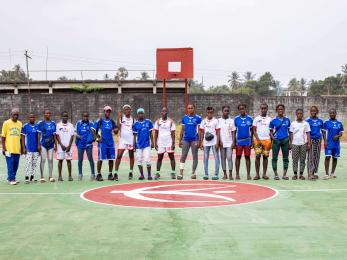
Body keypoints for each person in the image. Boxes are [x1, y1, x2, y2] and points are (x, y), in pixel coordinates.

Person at [92, 106, 118, 181]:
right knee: (100, 159)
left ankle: (110, 174)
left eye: (109, 111)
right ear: (104, 112)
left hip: (110, 143)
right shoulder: (100, 121)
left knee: (111, 159)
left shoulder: (112, 121)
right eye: (106, 111)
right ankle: (98, 174)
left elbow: (115, 130)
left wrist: (116, 130)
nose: (108, 112)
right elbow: (93, 130)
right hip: (102, 143)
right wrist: (96, 138)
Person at [178, 104, 202, 180]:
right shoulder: (184, 118)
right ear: (187, 109)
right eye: (189, 108)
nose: (190, 109)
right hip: (185, 140)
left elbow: (200, 130)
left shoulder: (198, 118)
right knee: (183, 156)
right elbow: (182, 130)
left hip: (194, 140)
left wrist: (199, 141)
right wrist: (180, 140)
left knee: (195, 156)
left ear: (194, 109)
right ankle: (181, 173)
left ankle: (193, 173)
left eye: (191, 108)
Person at [269, 104, 291, 180]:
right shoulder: (273, 120)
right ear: (276, 110)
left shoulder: (287, 120)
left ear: (284, 110)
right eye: (279, 109)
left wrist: (290, 142)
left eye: (282, 109)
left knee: (285, 158)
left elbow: (289, 131)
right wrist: (273, 138)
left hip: (285, 140)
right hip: (276, 141)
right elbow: (271, 131)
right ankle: (276, 174)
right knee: (274, 158)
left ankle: (284, 174)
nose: (280, 110)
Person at [154, 107, 176, 180]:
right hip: (161, 143)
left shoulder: (171, 121)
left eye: (165, 111)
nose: (164, 112)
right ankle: (157, 173)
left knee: (171, 157)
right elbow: (156, 133)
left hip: (169, 142)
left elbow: (173, 133)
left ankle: (173, 172)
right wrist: (155, 143)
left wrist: (173, 143)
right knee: (159, 158)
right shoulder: (158, 121)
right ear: (161, 112)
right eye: (163, 111)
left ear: (167, 112)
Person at [1, 108, 22, 185]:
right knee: (10, 164)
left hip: (17, 149)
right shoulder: (6, 123)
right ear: (11, 115)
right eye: (14, 115)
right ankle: (12, 179)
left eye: (17, 115)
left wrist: (22, 148)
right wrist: (4, 148)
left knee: (15, 165)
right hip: (9, 149)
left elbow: (20, 138)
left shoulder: (20, 123)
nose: (16, 116)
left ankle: (10, 177)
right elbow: (3, 137)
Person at [289, 109, 311, 180]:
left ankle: (301, 174)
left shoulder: (306, 123)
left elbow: (308, 133)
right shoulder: (293, 123)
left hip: (303, 144)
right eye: (298, 113)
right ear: (296, 114)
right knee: (295, 160)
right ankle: (295, 174)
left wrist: (309, 143)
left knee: (302, 160)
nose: (299, 115)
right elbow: (291, 133)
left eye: (301, 114)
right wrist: (291, 143)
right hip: (295, 144)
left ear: (302, 114)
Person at [132, 108, 154, 180]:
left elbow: (151, 133)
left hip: (146, 144)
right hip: (138, 145)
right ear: (137, 114)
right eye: (139, 113)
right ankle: (141, 175)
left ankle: (149, 175)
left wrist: (152, 142)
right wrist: (134, 145)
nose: (140, 114)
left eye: (142, 113)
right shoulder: (135, 124)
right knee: (139, 160)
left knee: (147, 159)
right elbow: (134, 135)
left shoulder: (148, 122)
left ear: (144, 114)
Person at [199, 106, 220, 180]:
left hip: (214, 142)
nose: (210, 114)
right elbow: (201, 132)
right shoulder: (203, 121)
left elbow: (218, 132)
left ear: (213, 113)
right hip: (206, 142)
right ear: (206, 113)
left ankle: (216, 174)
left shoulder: (216, 121)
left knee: (216, 157)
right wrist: (201, 142)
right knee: (205, 157)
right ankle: (206, 174)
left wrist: (217, 143)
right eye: (208, 113)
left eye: (211, 112)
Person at [115, 105, 135, 180]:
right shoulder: (121, 118)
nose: (127, 110)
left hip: (130, 140)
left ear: (130, 110)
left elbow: (134, 130)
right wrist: (118, 118)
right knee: (119, 156)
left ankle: (130, 172)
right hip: (122, 140)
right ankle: (116, 173)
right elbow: (118, 127)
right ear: (123, 111)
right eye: (125, 109)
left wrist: (134, 142)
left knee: (131, 156)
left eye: (128, 109)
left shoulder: (133, 119)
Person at [322, 108, 344, 179]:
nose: (332, 114)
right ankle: (326, 174)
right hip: (329, 143)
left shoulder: (339, 123)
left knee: (335, 158)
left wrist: (338, 135)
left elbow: (341, 132)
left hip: (336, 144)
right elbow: (324, 132)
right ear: (329, 114)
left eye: (333, 113)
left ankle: (332, 173)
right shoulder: (326, 122)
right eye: (331, 113)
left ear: (335, 113)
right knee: (327, 157)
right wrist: (325, 141)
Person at [252, 103, 272, 180]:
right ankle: (257, 174)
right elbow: (253, 130)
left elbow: (271, 131)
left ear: (267, 109)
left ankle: (264, 174)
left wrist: (271, 140)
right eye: (262, 108)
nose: (263, 110)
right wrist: (258, 139)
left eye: (265, 108)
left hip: (267, 140)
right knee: (257, 156)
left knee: (265, 157)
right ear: (260, 109)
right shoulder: (256, 119)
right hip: (258, 140)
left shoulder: (270, 119)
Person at [234, 104, 253, 180]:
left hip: (247, 141)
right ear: (239, 110)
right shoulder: (236, 119)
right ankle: (237, 174)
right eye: (240, 109)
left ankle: (248, 174)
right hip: (239, 141)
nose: (242, 110)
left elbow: (252, 131)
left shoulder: (250, 119)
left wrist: (252, 141)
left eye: (243, 108)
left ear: (245, 109)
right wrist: (234, 142)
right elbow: (234, 131)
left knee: (247, 157)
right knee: (238, 157)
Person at [37, 109, 57, 183]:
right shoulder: (41, 123)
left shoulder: (53, 123)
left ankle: (50, 176)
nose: (48, 114)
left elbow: (54, 135)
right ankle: (42, 177)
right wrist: (38, 144)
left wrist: (56, 145)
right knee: (43, 160)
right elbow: (38, 134)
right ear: (44, 114)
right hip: (43, 145)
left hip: (51, 145)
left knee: (51, 160)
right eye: (46, 113)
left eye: (49, 113)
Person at [75, 112, 95, 180]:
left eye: (86, 116)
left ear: (88, 116)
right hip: (80, 144)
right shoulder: (78, 123)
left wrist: (93, 139)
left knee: (90, 159)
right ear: (82, 116)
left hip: (88, 144)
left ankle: (93, 174)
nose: (85, 118)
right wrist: (78, 136)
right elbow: (75, 132)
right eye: (84, 116)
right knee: (80, 160)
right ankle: (80, 174)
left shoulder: (91, 123)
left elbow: (94, 133)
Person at [56, 112, 75, 181]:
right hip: (61, 146)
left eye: (66, 116)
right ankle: (60, 176)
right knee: (60, 161)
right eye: (64, 116)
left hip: (68, 146)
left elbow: (72, 136)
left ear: (68, 117)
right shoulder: (58, 125)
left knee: (69, 161)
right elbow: (57, 136)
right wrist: (61, 145)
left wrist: (69, 146)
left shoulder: (71, 125)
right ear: (61, 117)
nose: (65, 117)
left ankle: (70, 176)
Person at [306, 106, 324, 180]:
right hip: (311, 140)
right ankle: (310, 173)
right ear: (310, 112)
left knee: (317, 157)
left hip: (318, 140)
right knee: (311, 157)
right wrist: (309, 142)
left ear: (317, 112)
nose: (313, 112)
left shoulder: (320, 121)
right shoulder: (308, 121)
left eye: (315, 111)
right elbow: (307, 132)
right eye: (312, 111)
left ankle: (313, 172)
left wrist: (324, 140)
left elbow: (323, 131)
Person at [21, 112, 39, 183]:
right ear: (28, 118)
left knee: (34, 163)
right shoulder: (25, 126)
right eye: (31, 117)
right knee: (28, 163)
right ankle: (26, 177)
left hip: (35, 149)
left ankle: (32, 176)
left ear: (35, 118)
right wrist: (23, 148)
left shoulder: (37, 126)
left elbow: (38, 136)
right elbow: (22, 137)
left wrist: (38, 145)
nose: (32, 118)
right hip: (28, 148)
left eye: (33, 117)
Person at [218, 105, 235, 180]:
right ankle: (225, 174)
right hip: (222, 143)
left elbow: (233, 132)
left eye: (228, 111)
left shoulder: (231, 121)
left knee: (229, 157)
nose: (226, 112)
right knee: (223, 158)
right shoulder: (218, 121)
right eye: (225, 110)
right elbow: (217, 132)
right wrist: (219, 141)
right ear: (222, 111)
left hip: (229, 142)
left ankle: (230, 174)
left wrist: (233, 142)